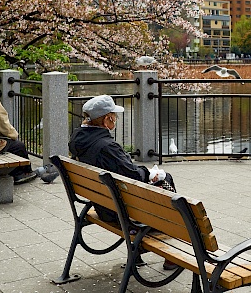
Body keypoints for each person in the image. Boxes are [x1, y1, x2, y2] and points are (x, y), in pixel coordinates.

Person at [69, 94, 177, 270]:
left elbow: (124, 171)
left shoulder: (77, 139)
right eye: (114, 116)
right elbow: (132, 176)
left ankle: (141, 248)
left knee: (155, 179)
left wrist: (144, 172)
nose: (116, 119)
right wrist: (150, 173)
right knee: (167, 181)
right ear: (107, 119)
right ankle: (171, 253)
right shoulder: (107, 146)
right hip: (119, 212)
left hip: (102, 205)